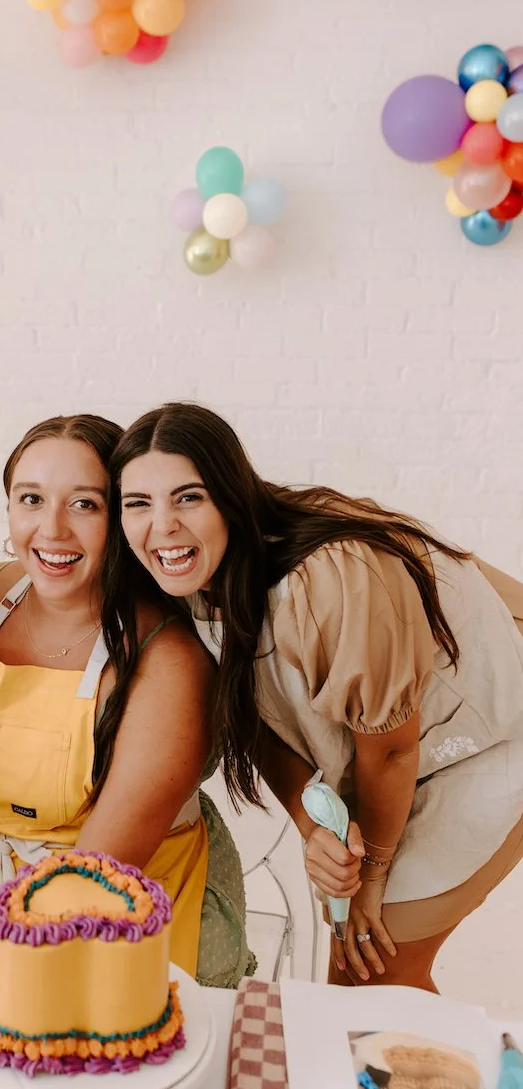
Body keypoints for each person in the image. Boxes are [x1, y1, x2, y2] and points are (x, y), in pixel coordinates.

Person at [108, 401, 523, 991]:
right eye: (138, 504)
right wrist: (312, 825)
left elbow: (392, 751)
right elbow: (254, 719)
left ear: (231, 494)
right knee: (354, 974)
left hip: (491, 740)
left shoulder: (329, 580)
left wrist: (374, 873)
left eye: (188, 497)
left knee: (375, 972)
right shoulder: (185, 578)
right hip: (404, 760)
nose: (163, 525)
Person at [0, 416, 254, 987]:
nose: (52, 530)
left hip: (106, 913)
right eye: (31, 499)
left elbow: (95, 874)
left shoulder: (165, 661)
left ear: (119, 517)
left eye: (85, 505)